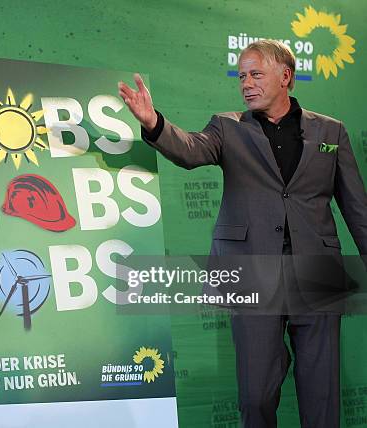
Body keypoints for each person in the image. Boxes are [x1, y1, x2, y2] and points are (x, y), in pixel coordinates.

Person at [119, 39, 366, 427]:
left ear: (285, 76)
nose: (246, 83)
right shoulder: (227, 127)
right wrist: (154, 123)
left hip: (318, 272)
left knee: (322, 396)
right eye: (241, 76)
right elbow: (189, 150)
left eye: (255, 74)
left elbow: (357, 207)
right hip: (251, 274)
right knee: (255, 396)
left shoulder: (331, 131)